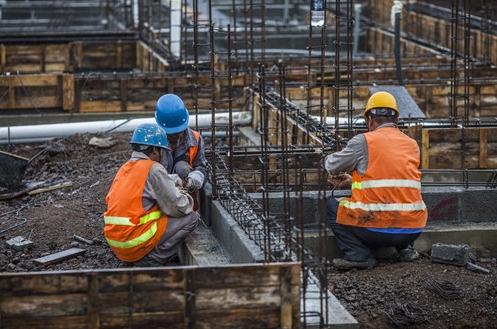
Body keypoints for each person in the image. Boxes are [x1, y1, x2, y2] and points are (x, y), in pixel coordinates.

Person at [324, 91, 428, 270]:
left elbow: (332, 166)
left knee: (332, 206)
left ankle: (358, 256)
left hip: (376, 230)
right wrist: (354, 180)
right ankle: (406, 250)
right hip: (413, 229)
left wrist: (327, 157)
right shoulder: (412, 144)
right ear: (396, 120)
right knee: (404, 200)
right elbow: (394, 178)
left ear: (370, 119)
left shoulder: (364, 141)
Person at [103, 123, 198, 267]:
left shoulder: (124, 168)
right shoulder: (153, 168)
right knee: (191, 218)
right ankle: (153, 259)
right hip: (133, 244)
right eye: (162, 151)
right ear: (154, 149)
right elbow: (180, 207)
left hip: (117, 244)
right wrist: (184, 192)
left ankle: (139, 255)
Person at [155, 93, 207, 212]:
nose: (178, 134)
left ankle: (186, 208)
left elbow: (202, 167)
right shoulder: (154, 142)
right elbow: (145, 172)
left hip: (185, 194)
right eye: (172, 132)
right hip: (159, 193)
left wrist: (197, 176)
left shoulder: (195, 139)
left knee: (182, 167)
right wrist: (166, 180)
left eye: (179, 130)